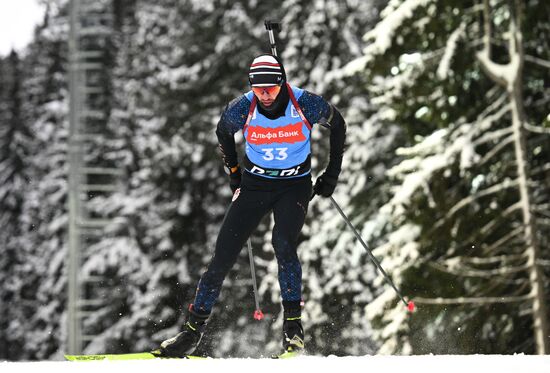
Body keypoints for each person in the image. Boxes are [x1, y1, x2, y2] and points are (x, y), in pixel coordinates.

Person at [156, 54, 346, 358]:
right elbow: (223, 132)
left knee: (283, 243)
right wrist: (234, 174)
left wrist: (331, 174)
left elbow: (338, 125)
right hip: (255, 185)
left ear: (281, 82)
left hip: (294, 185)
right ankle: (191, 334)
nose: (265, 94)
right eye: (259, 89)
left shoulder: (304, 103)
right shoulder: (243, 107)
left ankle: (293, 330)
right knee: (222, 255)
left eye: (270, 87)